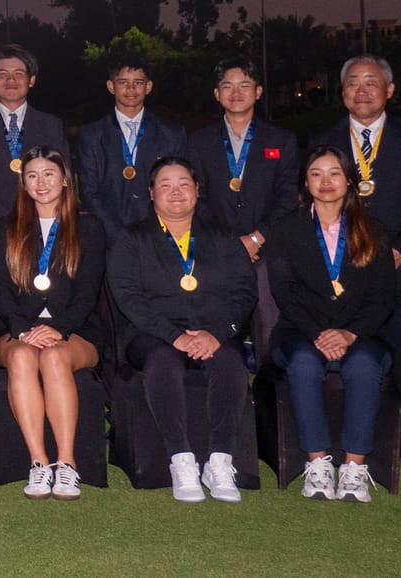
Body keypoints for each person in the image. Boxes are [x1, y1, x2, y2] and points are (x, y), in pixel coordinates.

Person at [307, 54, 401, 470]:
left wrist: (399, 252)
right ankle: (349, 438)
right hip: (343, 273)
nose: (362, 90)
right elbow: (311, 200)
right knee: (350, 354)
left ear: (389, 90)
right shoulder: (323, 138)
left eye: (371, 82)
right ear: (342, 92)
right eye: (353, 82)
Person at [106, 157, 256, 504]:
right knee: (162, 360)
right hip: (152, 335)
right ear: (151, 193)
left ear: (197, 190)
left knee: (230, 362)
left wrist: (216, 333)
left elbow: (244, 292)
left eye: (184, 184)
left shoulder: (222, 236)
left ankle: (220, 461)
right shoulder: (132, 239)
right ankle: (181, 459)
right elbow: (128, 297)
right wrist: (173, 335)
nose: (175, 192)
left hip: (213, 333)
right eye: (165, 184)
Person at [270, 147, 396, 502]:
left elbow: (384, 296)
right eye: (316, 174)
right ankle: (318, 465)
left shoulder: (373, 230)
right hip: (300, 331)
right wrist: (319, 333)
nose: (325, 181)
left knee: (362, 365)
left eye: (334, 173)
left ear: (350, 181)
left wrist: (349, 333)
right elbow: (285, 292)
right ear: (305, 182)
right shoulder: (286, 229)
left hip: (362, 332)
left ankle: (354, 468)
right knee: (305, 363)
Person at [0, 147, 107, 500]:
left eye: (49, 174)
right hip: (18, 330)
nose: (41, 182)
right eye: (32, 176)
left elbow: (88, 292)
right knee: (22, 356)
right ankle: (38, 463)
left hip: (75, 331)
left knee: (54, 357)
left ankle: (66, 464)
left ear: (66, 180)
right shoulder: (8, 227)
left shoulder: (88, 226)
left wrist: (60, 327)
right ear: (23, 184)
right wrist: (22, 329)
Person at [186, 56, 300, 352]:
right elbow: (197, 197)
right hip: (217, 250)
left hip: (267, 250)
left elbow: (288, 197)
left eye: (245, 85)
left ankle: (268, 379)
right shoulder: (198, 142)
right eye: (228, 86)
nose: (236, 93)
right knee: (221, 329)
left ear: (258, 92)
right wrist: (232, 243)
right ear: (216, 93)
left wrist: (256, 238)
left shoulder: (282, 140)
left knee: (268, 328)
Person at [0, 45, 69, 340]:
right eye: (3, 74)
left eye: (19, 73)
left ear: (31, 80)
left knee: (44, 326)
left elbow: (63, 178)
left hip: (45, 238)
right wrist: (12, 222)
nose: (11, 80)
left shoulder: (51, 126)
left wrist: (33, 221)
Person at [77, 58, 184, 238]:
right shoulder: (91, 135)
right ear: (111, 86)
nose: (131, 89)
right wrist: (117, 234)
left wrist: (158, 231)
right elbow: (89, 192)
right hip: (109, 238)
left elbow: (178, 188)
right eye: (123, 82)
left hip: (160, 235)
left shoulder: (172, 134)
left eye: (138, 82)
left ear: (148, 87)